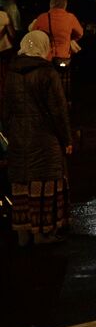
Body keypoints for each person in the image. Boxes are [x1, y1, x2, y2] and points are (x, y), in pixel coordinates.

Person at [2, 32, 73, 246]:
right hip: (45, 139)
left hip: (19, 139)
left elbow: (6, 111)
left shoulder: (11, 73)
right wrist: (66, 139)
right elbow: (58, 110)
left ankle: (23, 231)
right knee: (45, 183)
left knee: (23, 183)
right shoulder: (47, 73)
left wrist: (13, 132)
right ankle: (43, 232)